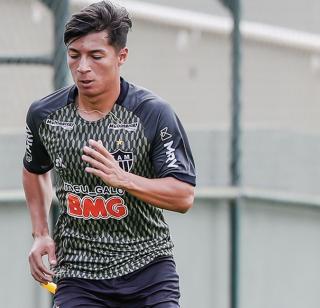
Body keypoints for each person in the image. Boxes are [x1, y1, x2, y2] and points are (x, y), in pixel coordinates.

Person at [22, 1, 196, 307]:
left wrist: (123, 179)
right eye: (74, 56)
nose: (83, 67)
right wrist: (40, 233)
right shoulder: (44, 115)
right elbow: (34, 169)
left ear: (121, 56)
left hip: (148, 270)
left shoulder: (153, 114)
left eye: (96, 56)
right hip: (79, 273)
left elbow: (182, 196)